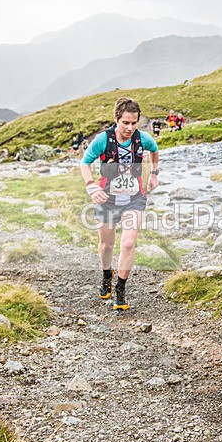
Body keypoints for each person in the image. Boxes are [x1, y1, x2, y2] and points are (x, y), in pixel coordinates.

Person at [80, 97, 159, 311]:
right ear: (116, 120)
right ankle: (107, 274)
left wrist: (154, 174)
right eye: (125, 123)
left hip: (134, 199)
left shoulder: (143, 139)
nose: (130, 128)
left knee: (127, 243)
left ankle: (121, 288)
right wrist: (91, 186)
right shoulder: (102, 140)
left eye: (134, 123)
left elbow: (155, 151)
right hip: (107, 200)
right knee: (107, 245)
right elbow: (85, 162)